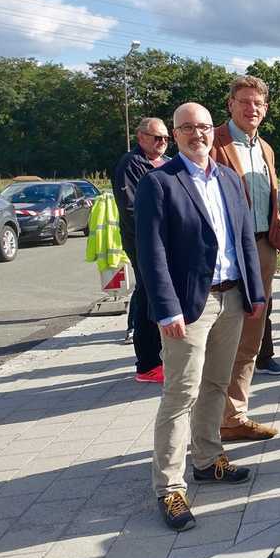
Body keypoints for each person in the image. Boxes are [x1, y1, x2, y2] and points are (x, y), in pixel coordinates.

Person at [135, 102, 266, 532]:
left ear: (214, 131)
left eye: (205, 127)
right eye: (188, 127)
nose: (199, 134)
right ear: (175, 134)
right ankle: (170, 487)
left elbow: (245, 237)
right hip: (189, 306)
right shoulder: (160, 182)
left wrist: (256, 292)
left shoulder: (228, 177)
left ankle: (208, 460)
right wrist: (166, 307)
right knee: (180, 394)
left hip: (232, 299)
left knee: (216, 384)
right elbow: (150, 253)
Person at [210, 75, 280, 444]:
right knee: (219, 339)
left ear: (266, 108)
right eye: (244, 101)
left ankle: (234, 416)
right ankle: (209, 422)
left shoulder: (266, 150)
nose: (251, 108)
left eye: (258, 103)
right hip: (226, 254)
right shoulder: (213, 142)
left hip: (263, 250)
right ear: (230, 104)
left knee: (251, 337)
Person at [113, 117, 170, 383]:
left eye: (166, 138)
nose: (162, 143)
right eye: (157, 137)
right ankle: (147, 364)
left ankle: (161, 356)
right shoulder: (131, 164)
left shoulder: (167, 162)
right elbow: (132, 209)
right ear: (141, 137)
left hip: (168, 243)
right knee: (148, 298)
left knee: (161, 298)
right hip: (145, 244)